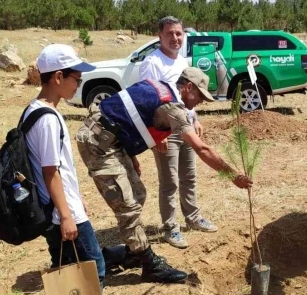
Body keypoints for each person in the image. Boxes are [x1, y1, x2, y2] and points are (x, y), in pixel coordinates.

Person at [76, 67, 252, 283]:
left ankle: (132, 252)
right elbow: (202, 149)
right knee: (127, 206)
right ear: (188, 87)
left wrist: (130, 155)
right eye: (200, 95)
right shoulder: (173, 108)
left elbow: (127, 115)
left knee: (138, 193)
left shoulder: (160, 87)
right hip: (97, 144)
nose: (201, 102)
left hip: (112, 140)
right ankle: (150, 265)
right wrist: (232, 175)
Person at [25, 44, 104, 295]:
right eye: (76, 79)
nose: (78, 85)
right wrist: (67, 214)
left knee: (70, 277)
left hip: (61, 207)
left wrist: (75, 197)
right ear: (58, 77)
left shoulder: (35, 111)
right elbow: (50, 172)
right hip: (62, 215)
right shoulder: (47, 119)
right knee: (92, 272)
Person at [139, 16, 212, 249]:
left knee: (189, 175)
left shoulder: (183, 61)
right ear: (160, 36)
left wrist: (195, 118)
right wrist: (157, 135)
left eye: (179, 33)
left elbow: (190, 94)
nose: (175, 38)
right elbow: (147, 100)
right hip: (166, 132)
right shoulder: (152, 63)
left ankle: (192, 217)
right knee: (169, 181)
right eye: (170, 33)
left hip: (186, 127)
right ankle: (170, 228)